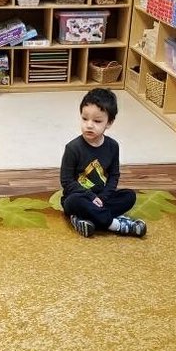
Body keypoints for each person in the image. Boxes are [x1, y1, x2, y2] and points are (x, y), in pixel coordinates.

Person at [60, 87, 147, 238]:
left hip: (102, 199)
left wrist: (103, 197)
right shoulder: (72, 148)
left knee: (129, 196)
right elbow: (66, 182)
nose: (89, 125)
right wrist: (90, 197)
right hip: (78, 198)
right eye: (84, 118)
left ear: (109, 122)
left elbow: (114, 175)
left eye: (97, 121)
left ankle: (84, 219)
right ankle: (116, 225)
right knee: (73, 202)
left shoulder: (113, 146)